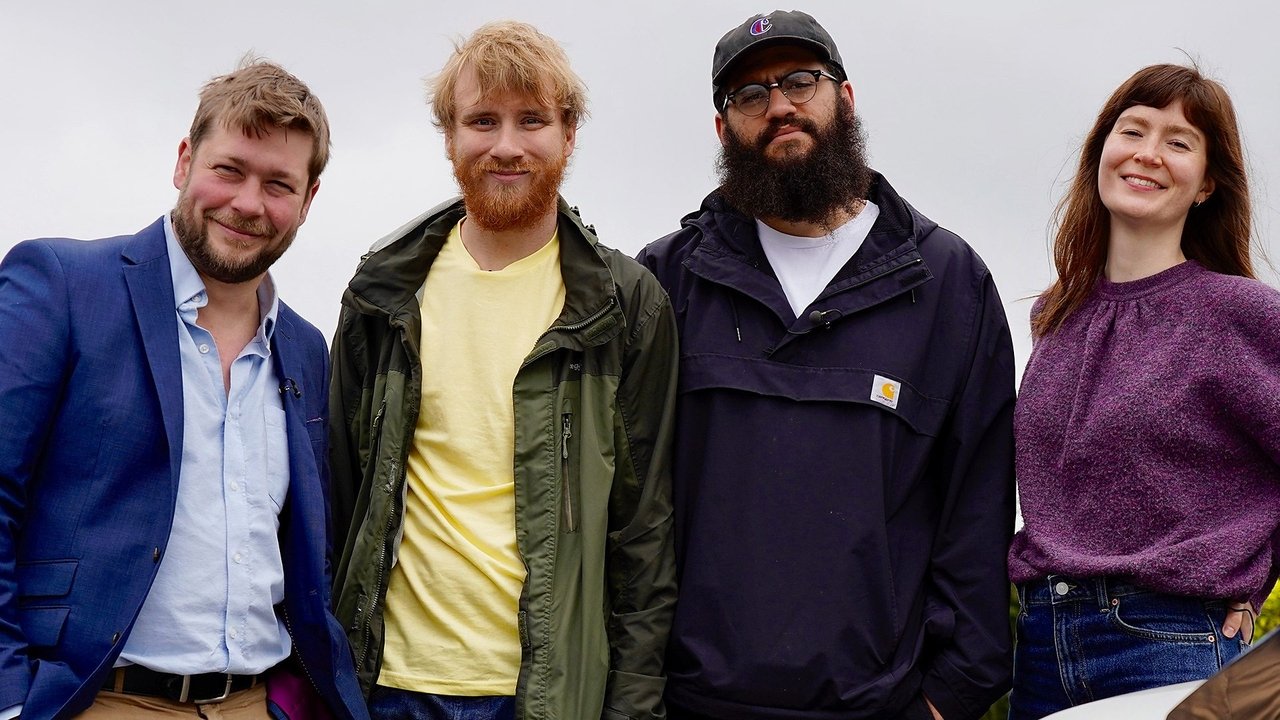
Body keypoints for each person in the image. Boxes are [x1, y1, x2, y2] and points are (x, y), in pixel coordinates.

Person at [638, 10, 1016, 720]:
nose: (779, 105)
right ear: (723, 129)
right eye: (750, 94)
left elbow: (978, 505)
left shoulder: (947, 282)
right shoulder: (666, 281)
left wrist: (949, 697)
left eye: (800, 81)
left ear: (845, 97)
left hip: (882, 707)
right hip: (690, 705)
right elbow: (625, 510)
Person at [328, 20, 679, 720]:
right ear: (450, 137)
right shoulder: (383, 292)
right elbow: (338, 495)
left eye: (532, 120)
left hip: (546, 695)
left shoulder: (626, 305)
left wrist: (632, 709)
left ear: (569, 135)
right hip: (386, 688)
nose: (507, 145)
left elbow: (644, 538)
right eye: (482, 121)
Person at [0, 59, 367, 720]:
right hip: (93, 700)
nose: (248, 203)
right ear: (184, 161)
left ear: (308, 200)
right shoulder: (61, 284)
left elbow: (309, 548)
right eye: (229, 170)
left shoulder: (307, 348)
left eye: (278, 184)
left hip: (255, 702)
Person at [1007, 63, 1277, 719]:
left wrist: (1254, 579)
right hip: (1039, 648)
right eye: (1132, 130)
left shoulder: (1241, 313)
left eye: (1178, 142)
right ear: (1101, 150)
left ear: (1207, 183)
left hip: (1172, 642)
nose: (1148, 153)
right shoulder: (1055, 316)